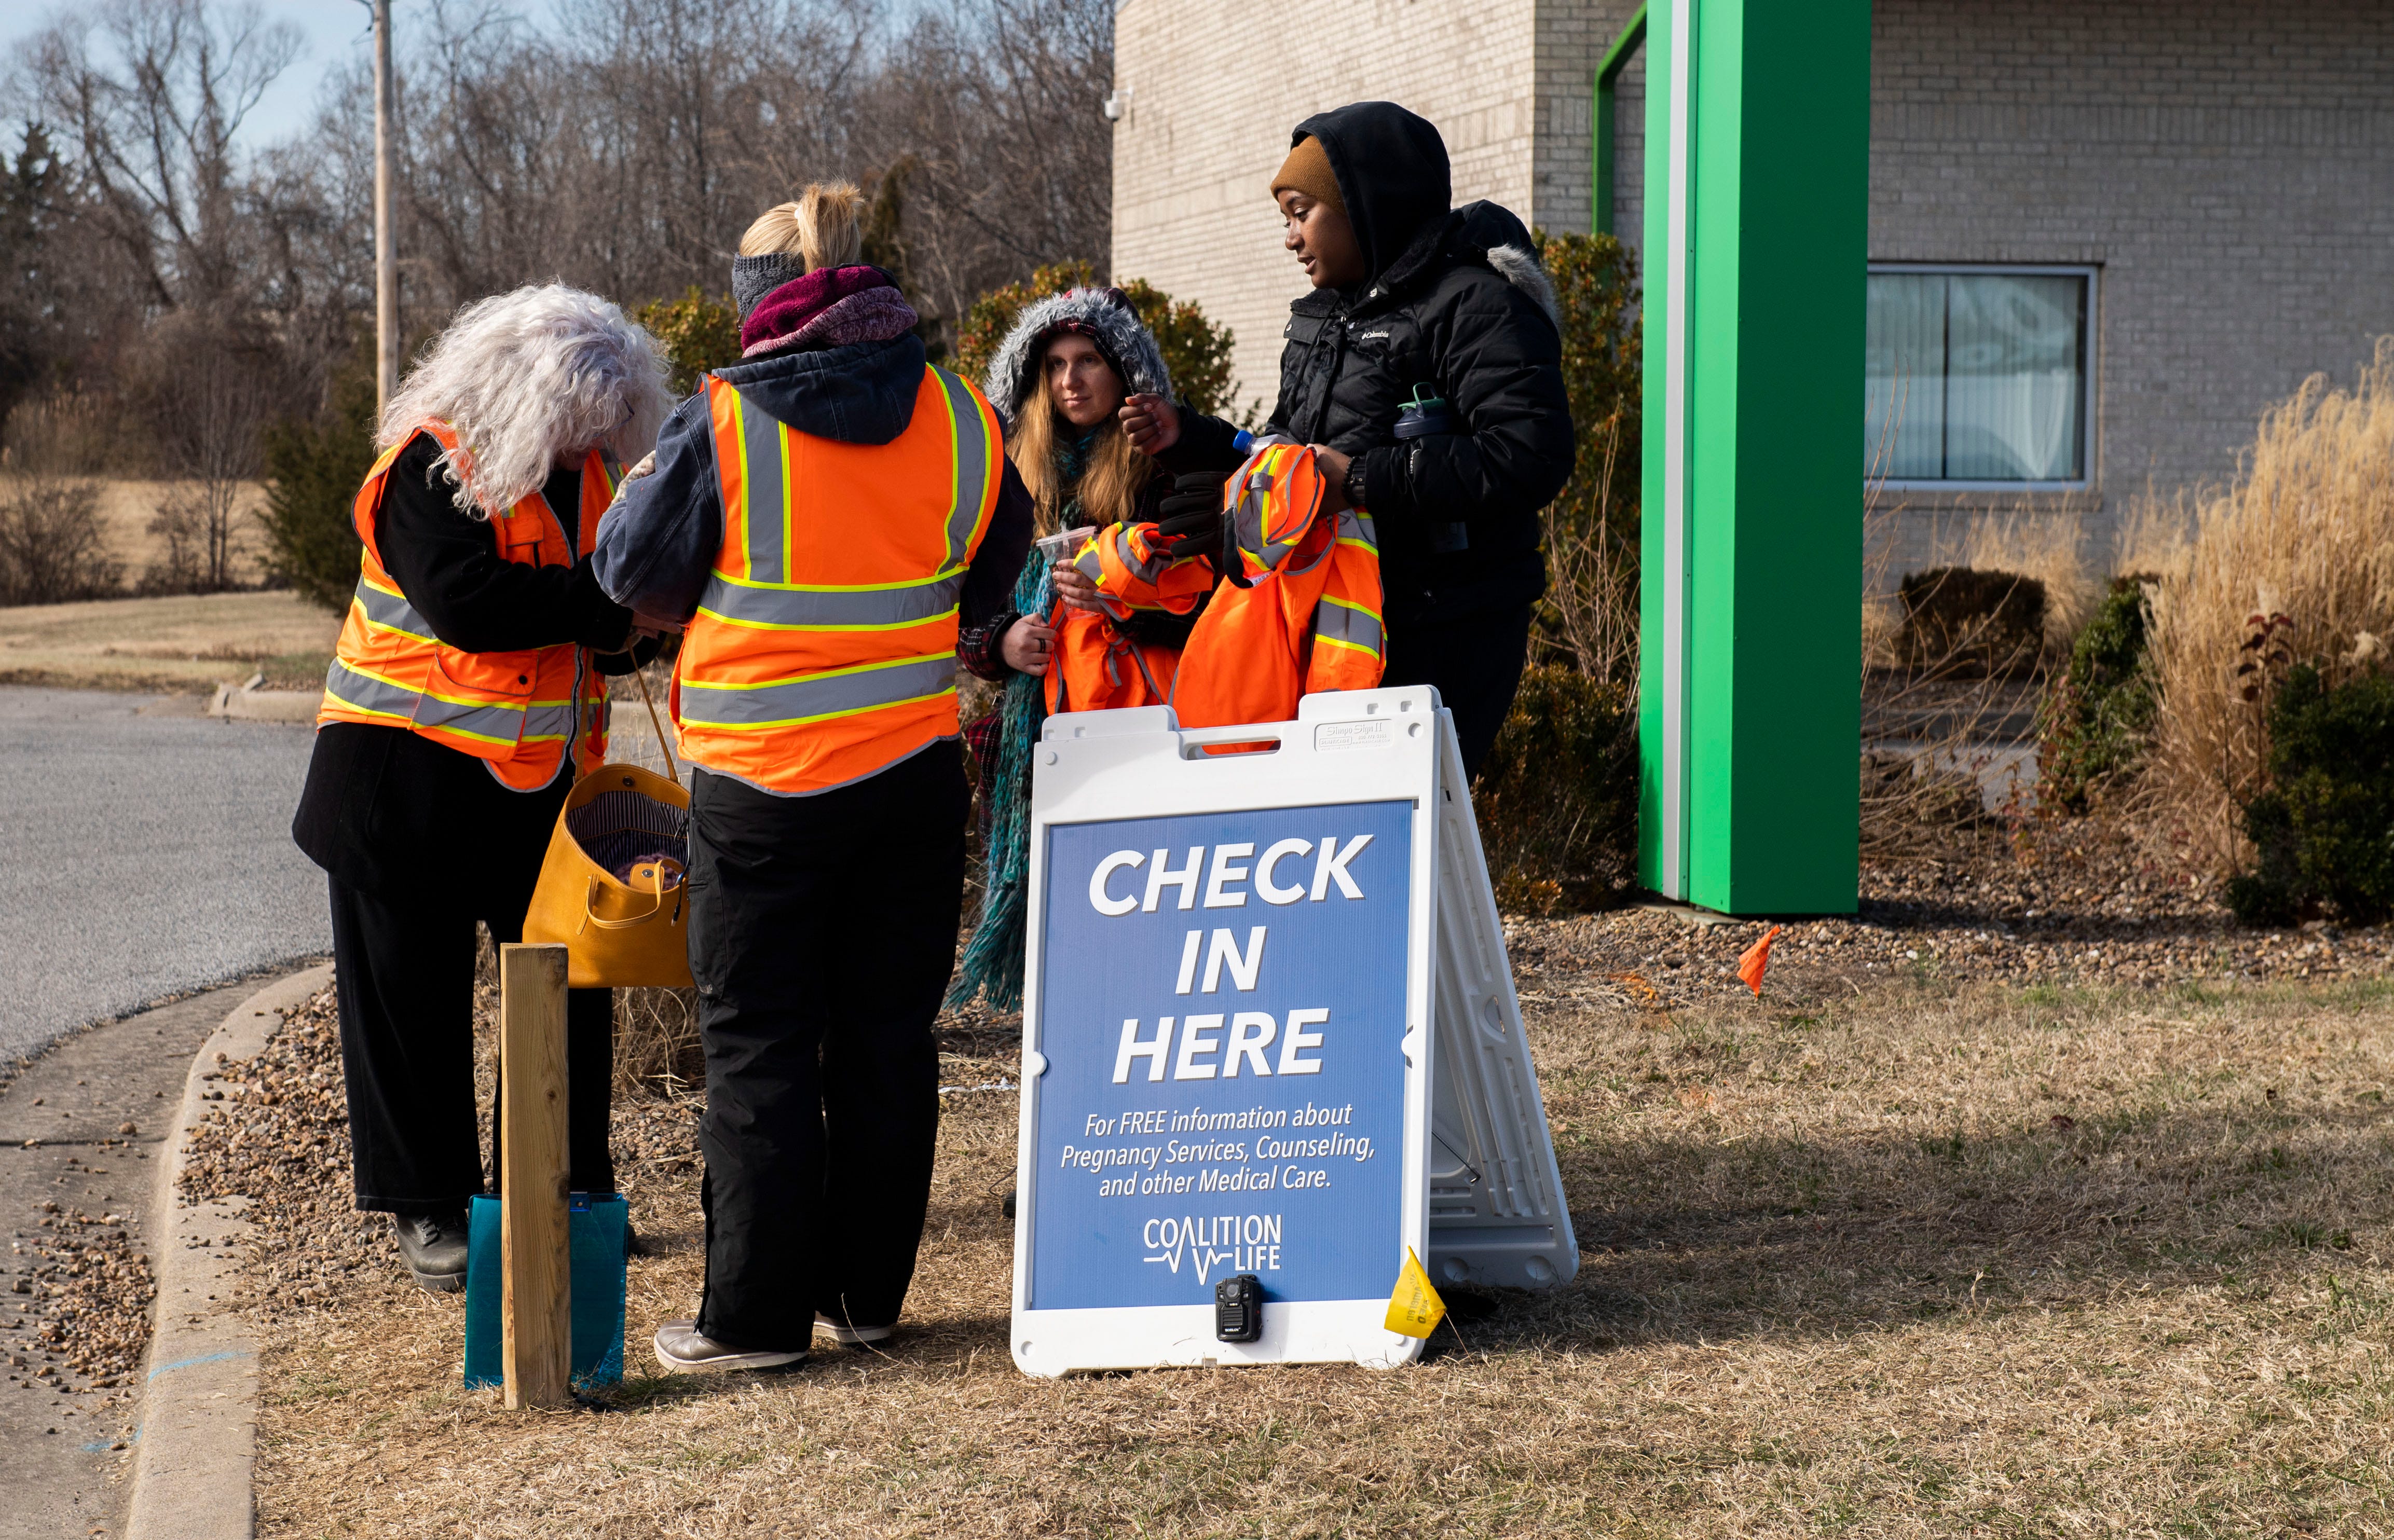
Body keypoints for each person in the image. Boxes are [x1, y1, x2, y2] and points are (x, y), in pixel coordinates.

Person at [593, 183, 1034, 1373]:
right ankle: (869, 1298)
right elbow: (999, 570)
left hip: (765, 793)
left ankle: (752, 1320)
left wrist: (639, 493)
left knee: (760, 1047)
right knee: (888, 1039)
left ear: (761, 304)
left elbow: (632, 573)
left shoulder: (723, 421)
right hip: (910, 777)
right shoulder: (961, 414)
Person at [292, 284, 672, 1292]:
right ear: (525, 392)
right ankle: (431, 1209)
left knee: (569, 990)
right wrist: (607, 605)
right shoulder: (427, 462)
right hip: (395, 780)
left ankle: (566, 1185)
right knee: (408, 1004)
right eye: (580, 417)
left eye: (607, 420)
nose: (593, 439)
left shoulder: (594, 474)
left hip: (537, 786)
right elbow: (464, 601)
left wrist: (649, 616)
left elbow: (617, 606)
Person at [1119, 101, 1575, 776]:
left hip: (1449, 632)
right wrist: (1200, 445)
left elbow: (1529, 455)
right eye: (1285, 220)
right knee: (1350, 850)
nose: (1291, 238)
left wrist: (1359, 482)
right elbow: (1293, 452)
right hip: (1337, 626)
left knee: (1397, 842)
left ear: (1367, 202)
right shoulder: (1323, 319)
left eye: (1301, 212)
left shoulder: (1473, 302)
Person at [957, 285, 1194, 713]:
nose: (1070, 381)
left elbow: (1206, 610)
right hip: (1031, 729)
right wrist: (1001, 641)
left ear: (1125, 371)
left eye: (1089, 361)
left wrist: (1122, 602)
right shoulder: (1011, 474)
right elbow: (963, 605)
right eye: (1056, 365)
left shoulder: (1165, 472)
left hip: (1130, 713)